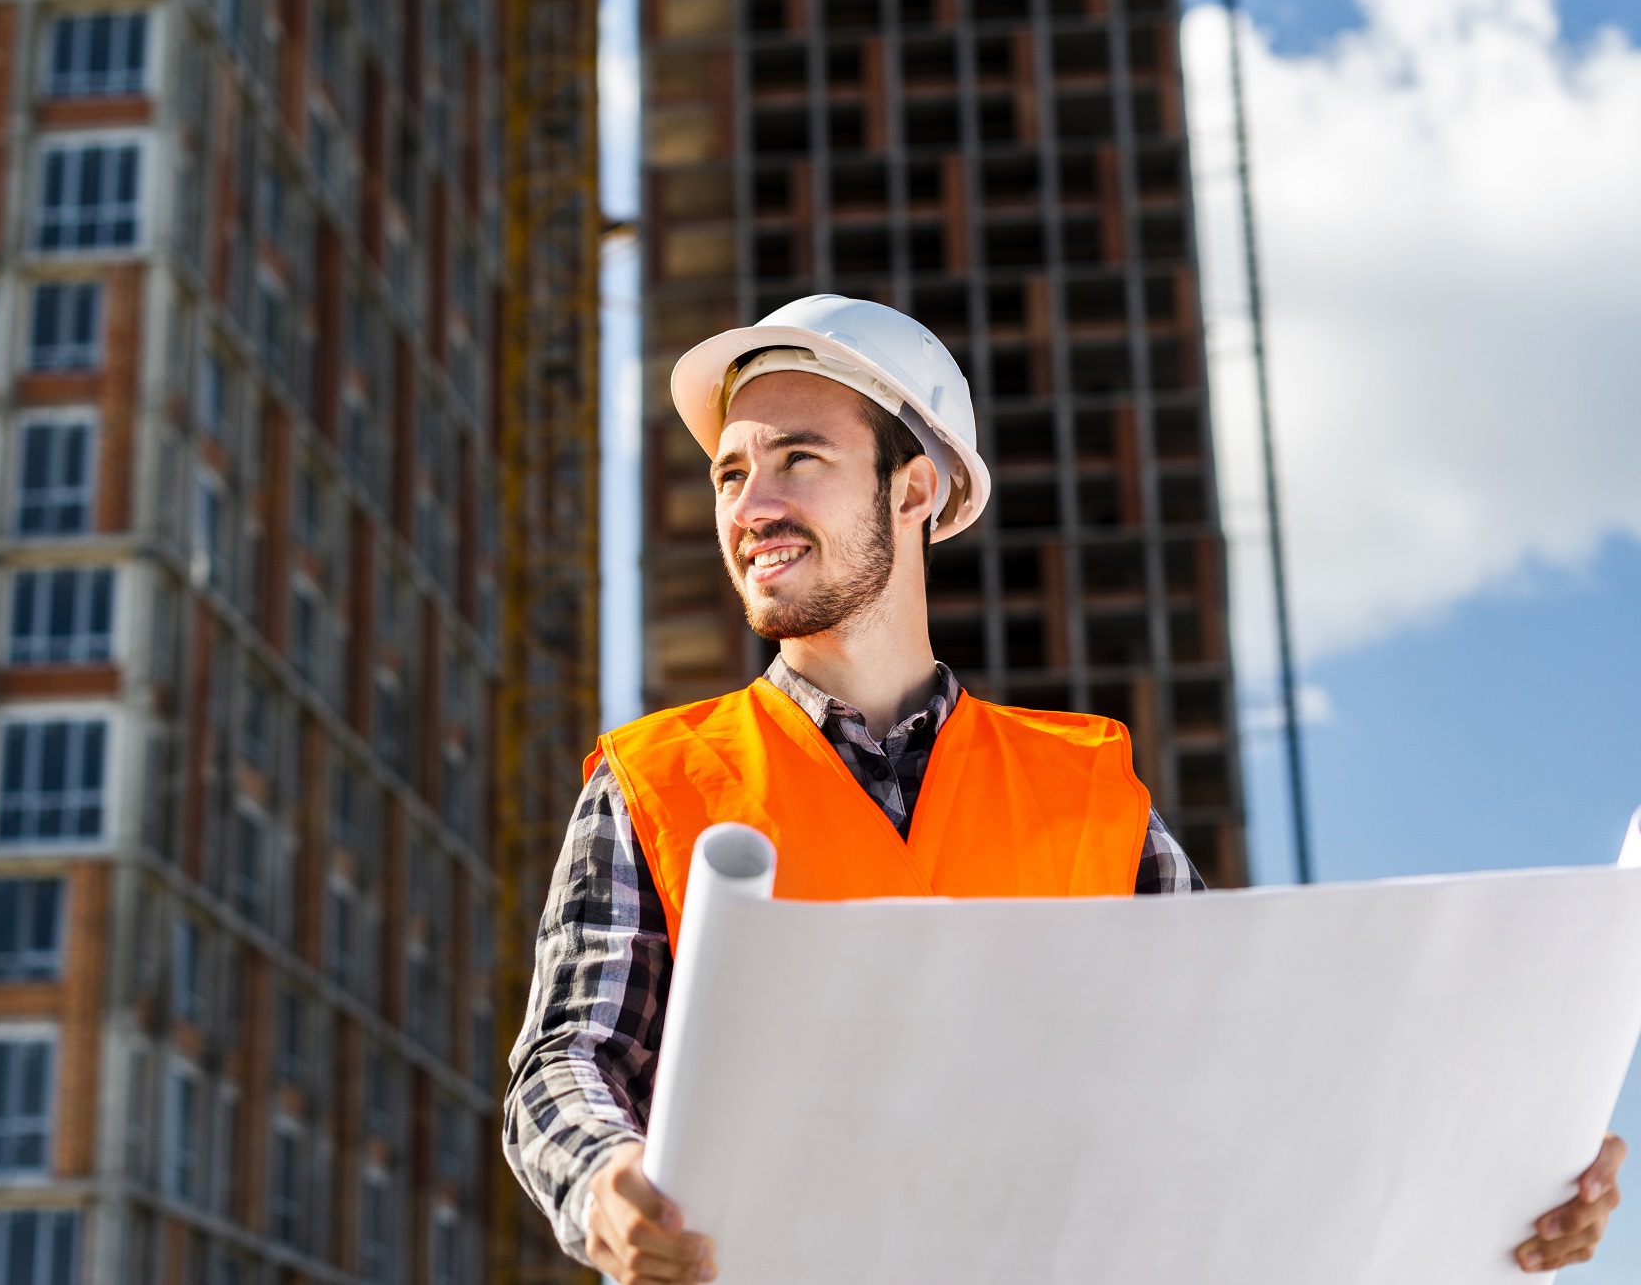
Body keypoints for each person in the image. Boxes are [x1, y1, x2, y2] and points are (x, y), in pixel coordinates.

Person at [501, 296, 1624, 1283]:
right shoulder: (657, 779)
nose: (750, 505)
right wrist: (604, 1180)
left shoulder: (1084, 786)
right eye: (730, 473)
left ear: (915, 488)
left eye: (798, 457)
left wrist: (1504, 1180)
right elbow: (563, 1061)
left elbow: (1255, 1058)